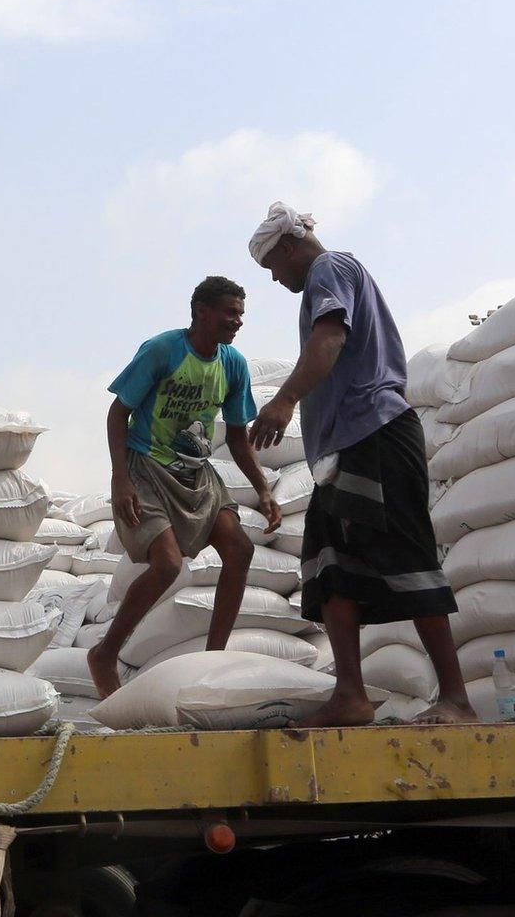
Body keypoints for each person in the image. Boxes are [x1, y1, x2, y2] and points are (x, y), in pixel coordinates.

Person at [246, 202, 471, 726]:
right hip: (344, 449)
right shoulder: (329, 276)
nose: (277, 280)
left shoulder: (332, 268)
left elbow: (330, 339)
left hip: (377, 435)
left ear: (287, 246)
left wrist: (284, 401)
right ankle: (351, 695)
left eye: (273, 268)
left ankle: (458, 699)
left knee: (406, 554)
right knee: (329, 566)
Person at [88, 276, 281, 698]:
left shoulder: (233, 364)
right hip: (147, 468)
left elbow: (235, 436)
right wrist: (120, 480)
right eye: (230, 313)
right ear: (201, 311)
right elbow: (117, 414)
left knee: (239, 549)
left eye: (241, 315)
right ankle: (105, 653)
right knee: (168, 565)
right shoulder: (163, 350)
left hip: (195, 472)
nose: (237, 322)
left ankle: (211, 660)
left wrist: (263, 489)